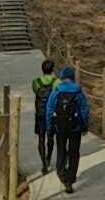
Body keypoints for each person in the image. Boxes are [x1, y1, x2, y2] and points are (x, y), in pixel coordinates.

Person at [45, 66, 89, 194]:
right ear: (73, 77)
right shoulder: (78, 91)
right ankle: (70, 179)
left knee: (61, 150)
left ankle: (61, 173)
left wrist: (49, 126)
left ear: (62, 77)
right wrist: (84, 125)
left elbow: (49, 109)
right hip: (75, 127)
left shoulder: (56, 90)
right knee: (74, 153)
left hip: (60, 126)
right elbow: (84, 109)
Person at [32, 60, 59, 174]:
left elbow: (36, 92)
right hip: (52, 114)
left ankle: (43, 164)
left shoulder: (36, 82)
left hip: (40, 113)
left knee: (41, 139)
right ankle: (48, 158)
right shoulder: (56, 82)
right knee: (51, 137)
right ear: (52, 69)